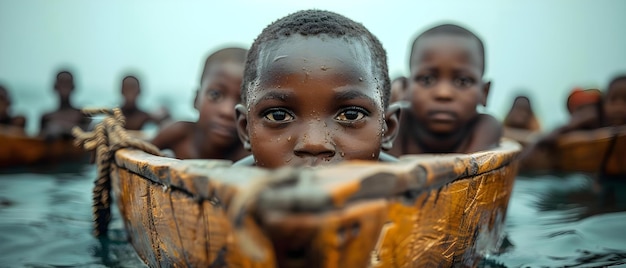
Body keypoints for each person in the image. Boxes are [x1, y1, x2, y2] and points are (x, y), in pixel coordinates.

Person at [233, 9, 400, 168]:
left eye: (351, 115)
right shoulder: (215, 196)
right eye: (278, 116)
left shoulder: (421, 196)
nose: (314, 143)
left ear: (387, 128)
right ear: (246, 129)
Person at [389, 23, 501, 156]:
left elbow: (473, 173)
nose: (444, 93)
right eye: (427, 80)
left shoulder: (485, 126)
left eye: (462, 81)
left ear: (484, 92)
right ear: (406, 88)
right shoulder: (396, 122)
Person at [150, 47, 249, 161]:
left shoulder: (247, 156)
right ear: (196, 99)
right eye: (215, 94)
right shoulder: (178, 133)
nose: (227, 111)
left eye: (244, 101)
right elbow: (140, 155)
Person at [40, 70, 90, 139]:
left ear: (73, 87)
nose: (64, 86)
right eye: (61, 82)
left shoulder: (82, 114)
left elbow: (88, 136)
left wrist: (61, 129)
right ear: (55, 87)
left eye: (67, 83)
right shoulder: (47, 117)